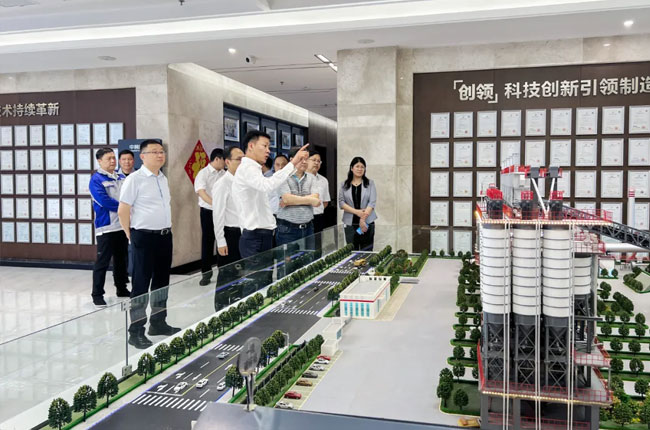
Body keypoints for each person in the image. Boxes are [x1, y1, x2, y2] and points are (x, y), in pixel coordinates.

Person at [118, 139, 179, 349]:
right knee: (141, 285)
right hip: (143, 237)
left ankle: (158, 323)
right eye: (155, 152)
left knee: (162, 282)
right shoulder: (134, 179)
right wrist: (130, 235)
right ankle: (135, 332)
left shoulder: (162, 178)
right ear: (142, 156)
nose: (160, 155)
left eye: (162, 151)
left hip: (164, 236)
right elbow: (123, 210)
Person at [232, 130, 310, 258]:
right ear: (251, 146)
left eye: (269, 146)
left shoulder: (254, 169)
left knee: (267, 271)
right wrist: (293, 163)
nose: (268, 151)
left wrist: (294, 165)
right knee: (260, 272)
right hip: (254, 236)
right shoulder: (247, 168)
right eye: (264, 146)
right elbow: (267, 186)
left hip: (262, 235)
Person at [89, 148, 130, 307]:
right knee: (103, 262)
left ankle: (121, 288)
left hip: (122, 225)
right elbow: (104, 201)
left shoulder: (121, 177)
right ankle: (97, 294)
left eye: (114, 158)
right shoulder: (96, 180)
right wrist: (125, 207)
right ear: (99, 161)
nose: (113, 161)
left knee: (121, 260)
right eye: (109, 158)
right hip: (106, 227)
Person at [211, 146, 244, 311]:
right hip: (230, 234)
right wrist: (221, 240)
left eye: (244, 159)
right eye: (238, 159)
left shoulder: (244, 181)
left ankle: (238, 307)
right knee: (226, 275)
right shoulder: (222, 184)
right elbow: (218, 213)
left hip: (244, 234)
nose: (242, 163)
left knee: (241, 273)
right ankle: (221, 309)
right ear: (227, 162)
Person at [275, 146, 320, 246]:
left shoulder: (312, 178)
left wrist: (292, 200)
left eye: (306, 159)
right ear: (292, 159)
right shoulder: (283, 176)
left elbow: (316, 201)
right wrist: (309, 199)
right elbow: (286, 199)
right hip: (287, 229)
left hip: (308, 228)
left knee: (310, 256)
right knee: (287, 257)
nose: (304, 162)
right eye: (301, 159)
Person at [194, 148, 226, 285]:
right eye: (224, 160)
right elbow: (201, 192)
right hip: (208, 211)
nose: (226, 163)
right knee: (208, 241)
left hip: (223, 212)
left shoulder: (225, 174)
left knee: (222, 240)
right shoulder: (203, 173)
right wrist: (215, 204)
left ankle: (223, 271)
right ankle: (206, 274)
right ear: (217, 159)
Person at [339, 156, 377, 251]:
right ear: (352, 168)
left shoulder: (370, 183)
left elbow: (372, 202)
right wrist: (357, 212)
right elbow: (341, 203)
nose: (360, 169)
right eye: (357, 166)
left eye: (362, 167)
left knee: (367, 251)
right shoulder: (344, 184)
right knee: (352, 251)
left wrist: (362, 219)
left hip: (367, 222)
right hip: (350, 223)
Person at [306, 149, 330, 233]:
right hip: (304, 218)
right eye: (314, 160)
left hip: (319, 218)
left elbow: (325, 202)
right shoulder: (301, 177)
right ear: (306, 161)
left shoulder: (324, 180)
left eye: (319, 161)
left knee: (318, 240)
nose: (316, 163)